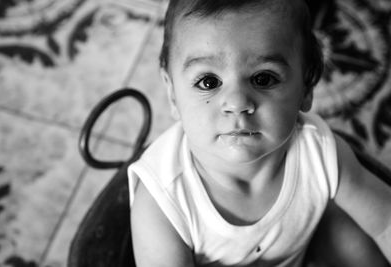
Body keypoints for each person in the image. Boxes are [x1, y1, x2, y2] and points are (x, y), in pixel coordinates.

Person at [128, 0, 391, 266]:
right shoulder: (162, 202)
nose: (237, 103)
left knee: (347, 234)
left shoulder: (318, 151)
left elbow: (385, 223)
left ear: (306, 88)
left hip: (302, 253)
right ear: (172, 93)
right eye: (209, 82)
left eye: (263, 78)